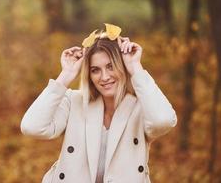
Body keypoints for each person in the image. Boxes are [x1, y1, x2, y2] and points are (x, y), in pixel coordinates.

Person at [20, 24, 177, 183]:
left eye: (110, 66)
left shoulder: (141, 107)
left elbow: (163, 120)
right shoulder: (74, 102)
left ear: (122, 66)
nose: (104, 77)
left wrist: (135, 67)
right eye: (95, 70)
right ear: (89, 74)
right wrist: (66, 74)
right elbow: (31, 127)